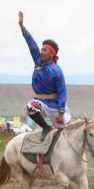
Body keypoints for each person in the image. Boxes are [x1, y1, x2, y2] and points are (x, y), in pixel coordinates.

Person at [18, 10, 71, 140]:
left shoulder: (57, 71)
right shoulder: (37, 60)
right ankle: (46, 128)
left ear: (52, 54)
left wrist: (60, 113)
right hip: (40, 102)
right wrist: (22, 26)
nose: (41, 51)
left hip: (56, 106)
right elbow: (31, 43)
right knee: (30, 107)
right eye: (41, 49)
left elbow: (62, 92)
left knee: (66, 134)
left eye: (44, 50)